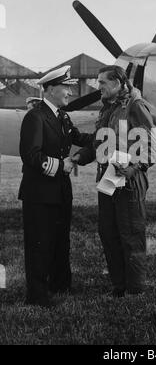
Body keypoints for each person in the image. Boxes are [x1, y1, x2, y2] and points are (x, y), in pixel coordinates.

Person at [72, 65, 156, 297]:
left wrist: (132, 169)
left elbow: (152, 148)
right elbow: (99, 143)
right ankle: (119, 286)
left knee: (131, 234)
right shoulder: (107, 108)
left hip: (130, 182)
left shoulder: (136, 106)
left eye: (102, 82)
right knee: (108, 233)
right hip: (107, 180)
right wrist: (78, 157)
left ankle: (136, 290)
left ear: (118, 84)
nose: (97, 86)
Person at [19, 65, 91, 308]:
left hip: (60, 191)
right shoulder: (35, 117)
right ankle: (37, 296)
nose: (69, 93)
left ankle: (60, 285)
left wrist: (109, 134)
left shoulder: (62, 117)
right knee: (40, 243)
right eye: (65, 88)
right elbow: (31, 155)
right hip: (39, 193)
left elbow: (80, 139)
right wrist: (62, 166)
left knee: (61, 240)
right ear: (49, 89)